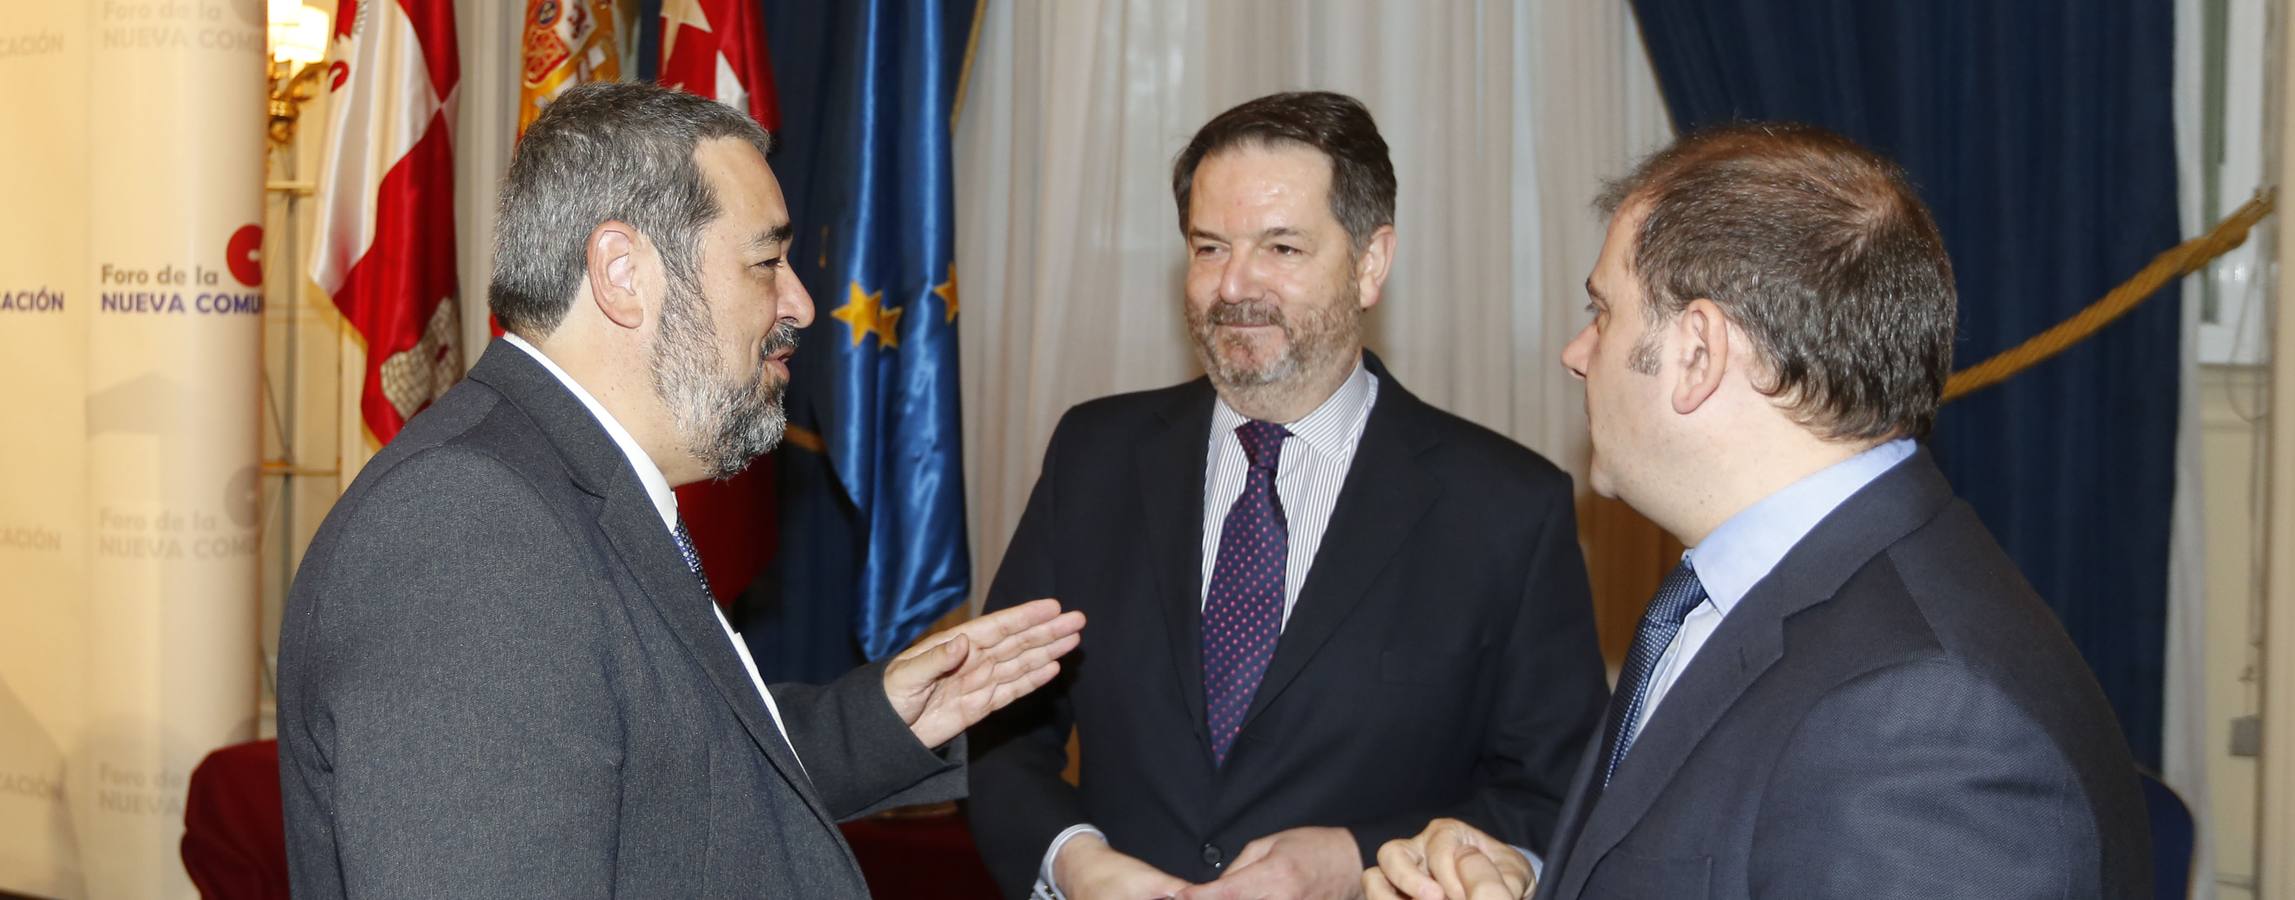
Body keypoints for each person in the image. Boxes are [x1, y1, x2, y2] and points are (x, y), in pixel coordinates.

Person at [274, 81, 1084, 898]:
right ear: (623, 273)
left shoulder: (554, 480)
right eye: (766, 262)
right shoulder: (468, 529)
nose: (800, 302)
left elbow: (668, 781)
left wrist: (880, 720)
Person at [1365, 123, 2152, 900]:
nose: (1578, 352)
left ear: (1698, 354)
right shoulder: (1754, 587)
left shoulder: (1924, 720)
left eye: (1602, 312)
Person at [966, 90, 1608, 900]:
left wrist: (1356, 858)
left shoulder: (1505, 508)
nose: (1234, 285)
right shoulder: (1094, 456)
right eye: (1208, 247)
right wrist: (1072, 863)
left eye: (1280, 248)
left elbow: (1558, 800)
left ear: (1370, 263)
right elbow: (999, 733)